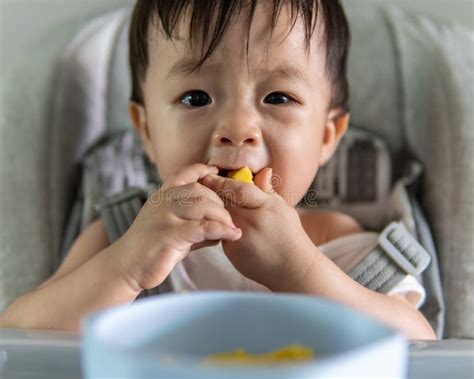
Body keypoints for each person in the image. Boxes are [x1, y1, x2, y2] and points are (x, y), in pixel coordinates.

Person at [0, 0, 436, 339]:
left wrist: (299, 271)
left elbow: (419, 344)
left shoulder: (336, 241)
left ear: (327, 135)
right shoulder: (119, 236)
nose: (237, 130)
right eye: (195, 98)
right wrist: (127, 268)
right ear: (147, 130)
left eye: (279, 97)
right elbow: (20, 333)